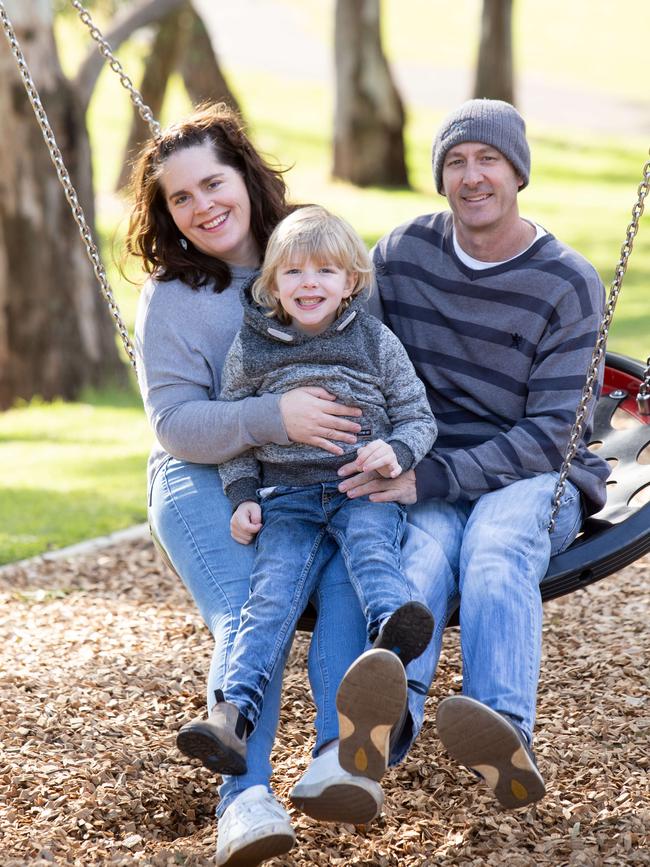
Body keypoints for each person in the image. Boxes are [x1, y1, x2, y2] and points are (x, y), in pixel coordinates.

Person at [332, 99, 610, 810]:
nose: (472, 175)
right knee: (418, 562)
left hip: (534, 473)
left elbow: (551, 432)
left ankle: (504, 731)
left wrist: (434, 476)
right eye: (456, 161)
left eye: (488, 159)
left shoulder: (567, 282)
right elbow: (364, 370)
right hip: (429, 467)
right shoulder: (402, 255)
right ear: (440, 178)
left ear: (518, 172)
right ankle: (384, 730)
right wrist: (393, 458)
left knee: (495, 547)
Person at [127, 103, 380, 867]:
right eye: (181, 197)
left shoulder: (310, 249)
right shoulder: (174, 295)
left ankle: (339, 756)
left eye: (213, 182)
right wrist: (276, 415)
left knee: (347, 576)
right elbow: (175, 421)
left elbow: (373, 354)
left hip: (309, 475)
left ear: (244, 174)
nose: (203, 206)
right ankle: (243, 799)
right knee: (246, 601)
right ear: (167, 213)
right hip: (200, 473)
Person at [180, 205, 437, 784]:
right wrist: (243, 492)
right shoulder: (252, 348)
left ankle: (392, 638)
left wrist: (395, 452)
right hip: (286, 501)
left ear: (351, 282)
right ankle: (231, 714)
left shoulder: (375, 341)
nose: (309, 283)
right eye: (293, 273)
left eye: (325, 271)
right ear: (272, 285)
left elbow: (418, 417)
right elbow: (234, 429)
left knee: (373, 554)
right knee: (268, 601)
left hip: (361, 488)